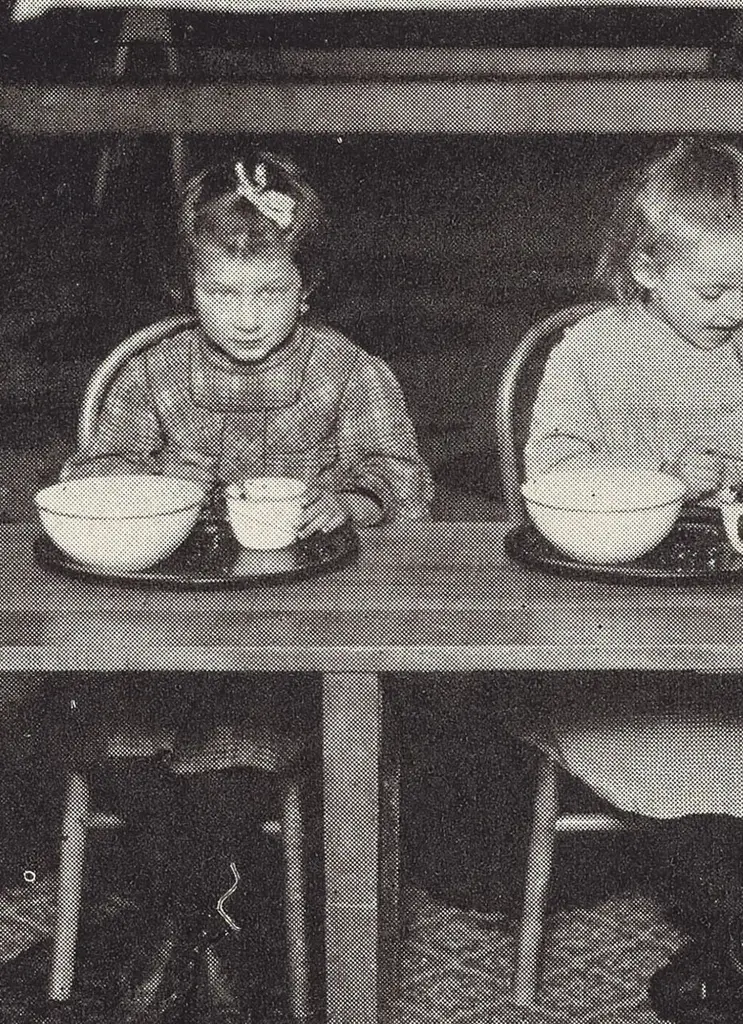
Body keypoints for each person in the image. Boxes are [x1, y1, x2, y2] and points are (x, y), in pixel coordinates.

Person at [61, 149, 431, 1023]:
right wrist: (150, 485)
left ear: (307, 287)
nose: (248, 318)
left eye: (270, 293)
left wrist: (344, 501)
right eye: (223, 294)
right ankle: (205, 935)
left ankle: (174, 943)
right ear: (188, 289)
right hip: (168, 632)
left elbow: (405, 484)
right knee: (121, 736)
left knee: (240, 746)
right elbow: (93, 472)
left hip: (295, 640)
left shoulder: (346, 370)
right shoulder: (152, 375)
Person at [523, 137, 743, 1024]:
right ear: (645, 267)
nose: (735, 308)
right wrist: (668, 466)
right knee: (672, 765)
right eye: (710, 291)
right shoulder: (592, 352)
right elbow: (550, 472)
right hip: (634, 623)